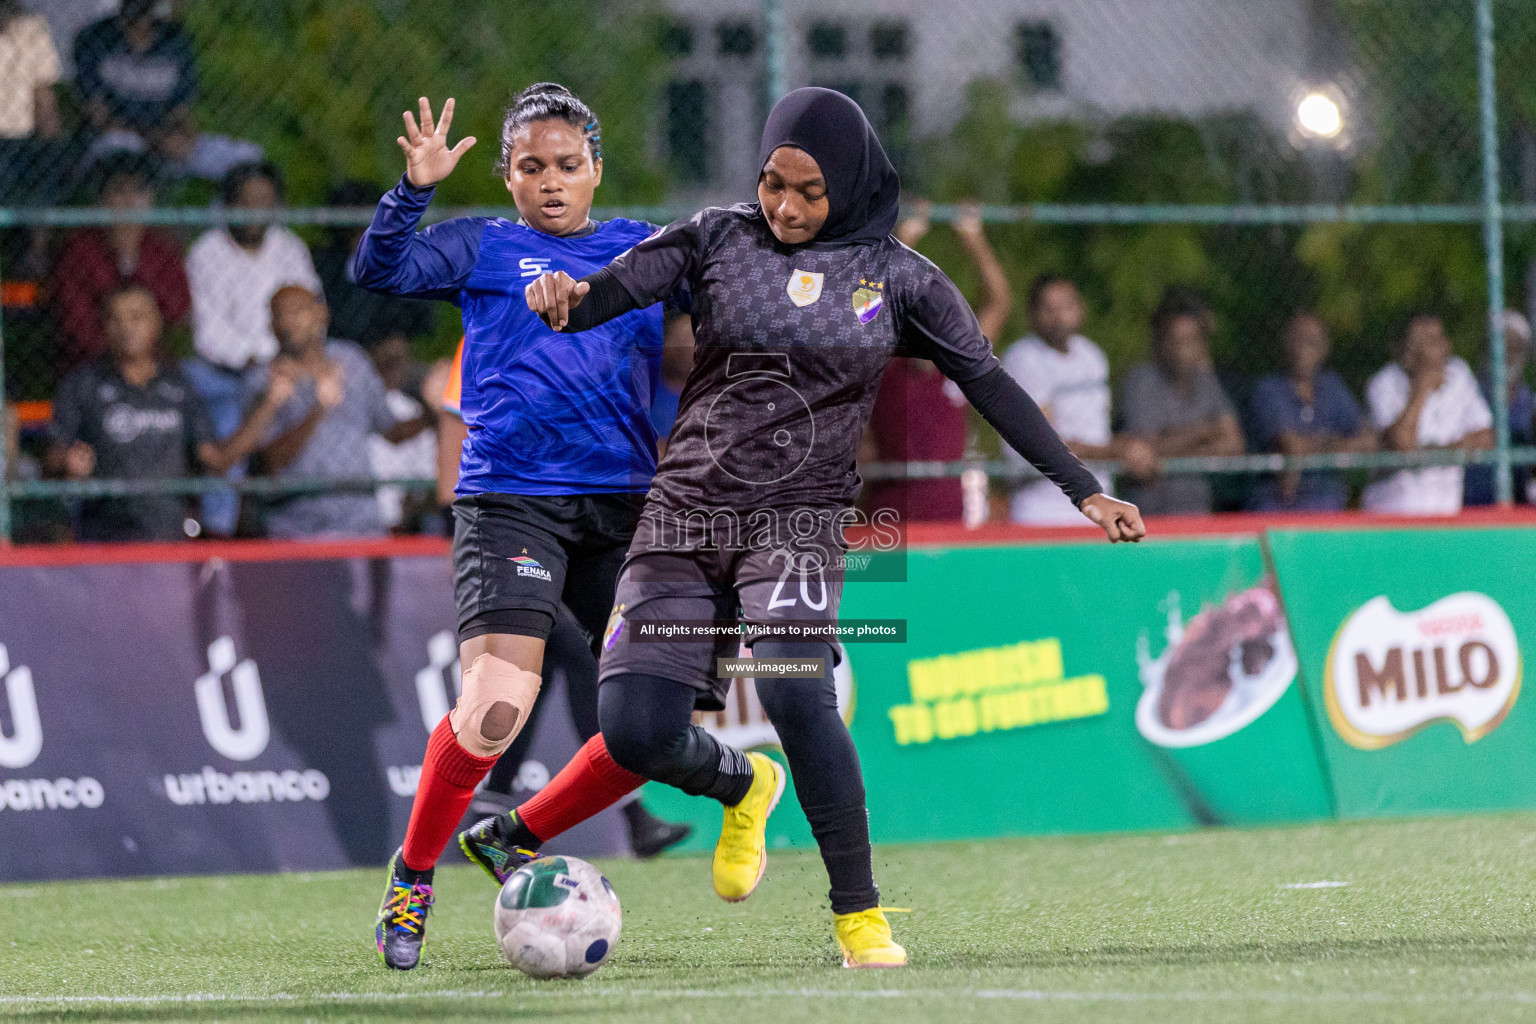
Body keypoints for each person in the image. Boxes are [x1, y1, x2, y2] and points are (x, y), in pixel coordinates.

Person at [511, 87, 1144, 969]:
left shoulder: (901, 278)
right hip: (685, 515)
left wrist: (1085, 490)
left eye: (810, 191)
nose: (787, 207)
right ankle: (746, 785)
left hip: (799, 521)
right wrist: (563, 296)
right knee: (634, 730)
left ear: (849, 185)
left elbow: (991, 383)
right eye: (774, 183)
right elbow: (606, 291)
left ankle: (859, 918)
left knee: (794, 689)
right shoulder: (715, 237)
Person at [349, 85, 695, 971]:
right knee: (496, 710)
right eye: (531, 167)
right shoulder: (481, 247)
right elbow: (375, 271)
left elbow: (713, 328)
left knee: (651, 722)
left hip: (623, 506)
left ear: (596, 172)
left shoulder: (644, 251)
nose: (551, 181)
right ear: (507, 177)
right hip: (511, 499)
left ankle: (514, 836)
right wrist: (413, 189)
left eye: (567, 166)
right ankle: (414, 874)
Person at [429, 342, 694, 851]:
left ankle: (488, 812)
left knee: (542, 668)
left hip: (579, 529)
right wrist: (454, 528)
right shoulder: (491, 318)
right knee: (573, 656)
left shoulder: (597, 322)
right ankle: (629, 813)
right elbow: (453, 425)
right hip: (510, 526)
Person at [46, 285, 284, 542]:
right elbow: (50, 459)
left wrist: (270, 404)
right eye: (116, 319)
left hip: (168, 540)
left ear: (156, 323)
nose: (127, 327)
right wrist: (67, 461)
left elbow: (216, 460)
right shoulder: (83, 384)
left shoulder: (180, 386)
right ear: (105, 327)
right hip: (103, 540)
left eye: (136, 317)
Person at [184, 160, 320, 535]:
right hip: (224, 372)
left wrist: (284, 360)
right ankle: (219, 531)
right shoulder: (206, 252)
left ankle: (301, 517)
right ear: (228, 204)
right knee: (229, 423)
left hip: (286, 365)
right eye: (246, 200)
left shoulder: (290, 248)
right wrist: (264, 359)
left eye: (264, 200)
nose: (255, 210)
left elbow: (309, 309)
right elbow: (208, 334)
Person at [863, 201, 1013, 522]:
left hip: (946, 523)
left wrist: (975, 241)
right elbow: (864, 306)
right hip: (888, 523)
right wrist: (903, 240)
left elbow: (999, 301)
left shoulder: (959, 364)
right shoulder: (886, 363)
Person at [241, 285, 428, 539]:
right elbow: (268, 463)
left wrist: (433, 413)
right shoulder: (263, 380)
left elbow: (391, 431)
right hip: (296, 528)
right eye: (278, 315)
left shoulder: (353, 360)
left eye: (297, 312)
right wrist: (318, 411)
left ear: (321, 314)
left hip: (361, 525)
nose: (287, 323)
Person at [51, 154, 190, 372]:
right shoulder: (79, 251)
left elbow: (176, 310)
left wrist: (131, 258)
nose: (130, 201)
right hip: (94, 367)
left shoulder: (163, 249)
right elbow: (76, 324)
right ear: (102, 200)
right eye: (120, 191)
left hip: (155, 365)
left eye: (139, 191)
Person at [1117, 290, 1245, 515]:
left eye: (1192, 340)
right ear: (1161, 342)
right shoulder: (1142, 380)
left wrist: (1172, 447)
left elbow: (1233, 444)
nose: (1184, 349)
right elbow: (1145, 448)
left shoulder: (1206, 381)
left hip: (1197, 513)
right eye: (1177, 341)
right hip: (1149, 514)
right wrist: (1204, 432)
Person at [1002, 273, 1115, 524]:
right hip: (1041, 513)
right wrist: (1122, 451)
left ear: (1080, 308)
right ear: (1032, 314)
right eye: (1049, 308)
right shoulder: (1023, 359)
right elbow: (1047, 444)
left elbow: (1099, 429)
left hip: (1096, 508)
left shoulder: (1092, 355)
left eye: (1066, 305)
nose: (1059, 316)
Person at [1363, 313, 1493, 516]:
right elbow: (1402, 445)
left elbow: (1485, 437)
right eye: (1418, 342)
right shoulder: (1383, 382)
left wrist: (1431, 453)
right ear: (1402, 348)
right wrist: (1421, 389)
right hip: (1394, 510)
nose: (1424, 349)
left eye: (1433, 340)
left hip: (1446, 509)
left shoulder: (1458, 374)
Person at [1247, 312, 1376, 512]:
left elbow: (1368, 441)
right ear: (1286, 344)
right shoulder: (1268, 390)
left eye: (1312, 341)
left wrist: (1314, 446)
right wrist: (1335, 444)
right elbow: (1291, 445)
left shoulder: (1333, 387)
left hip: (1327, 499)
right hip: (1278, 505)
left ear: (1324, 348)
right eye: (1299, 339)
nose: (1304, 348)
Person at [1465, 310, 1534, 506]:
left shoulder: (1530, 402)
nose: (1508, 353)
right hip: (1470, 506)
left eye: (1516, 347)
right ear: (1487, 348)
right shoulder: (1468, 396)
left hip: (1519, 507)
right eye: (1502, 344)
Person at [0, 0, 63, 205]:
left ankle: (39, 236)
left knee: (50, 166)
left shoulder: (31, 27)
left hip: (19, 139)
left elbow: (44, 95)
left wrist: (53, 146)